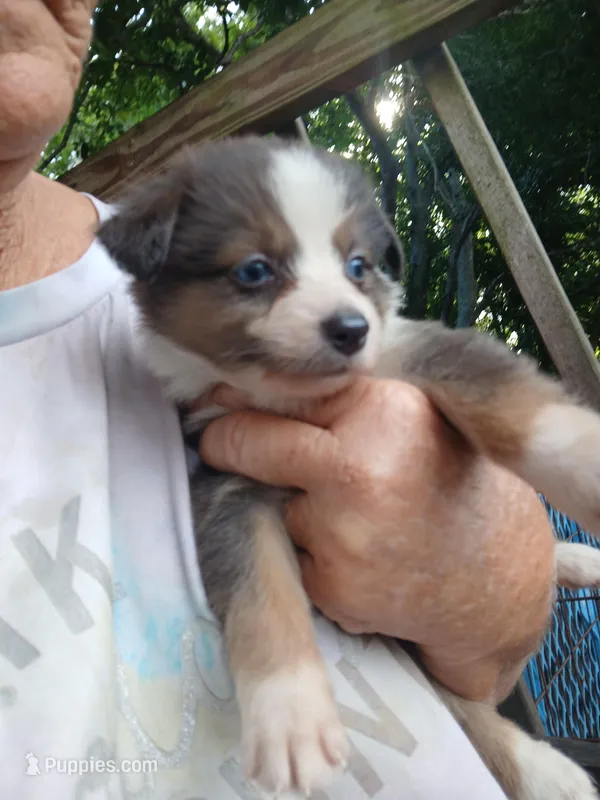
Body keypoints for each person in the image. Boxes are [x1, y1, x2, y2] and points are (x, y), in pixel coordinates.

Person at [0, 2, 555, 798]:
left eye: (357, 267)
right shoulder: (183, 267)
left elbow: (488, 641)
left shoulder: (194, 261)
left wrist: (501, 577)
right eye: (256, 273)